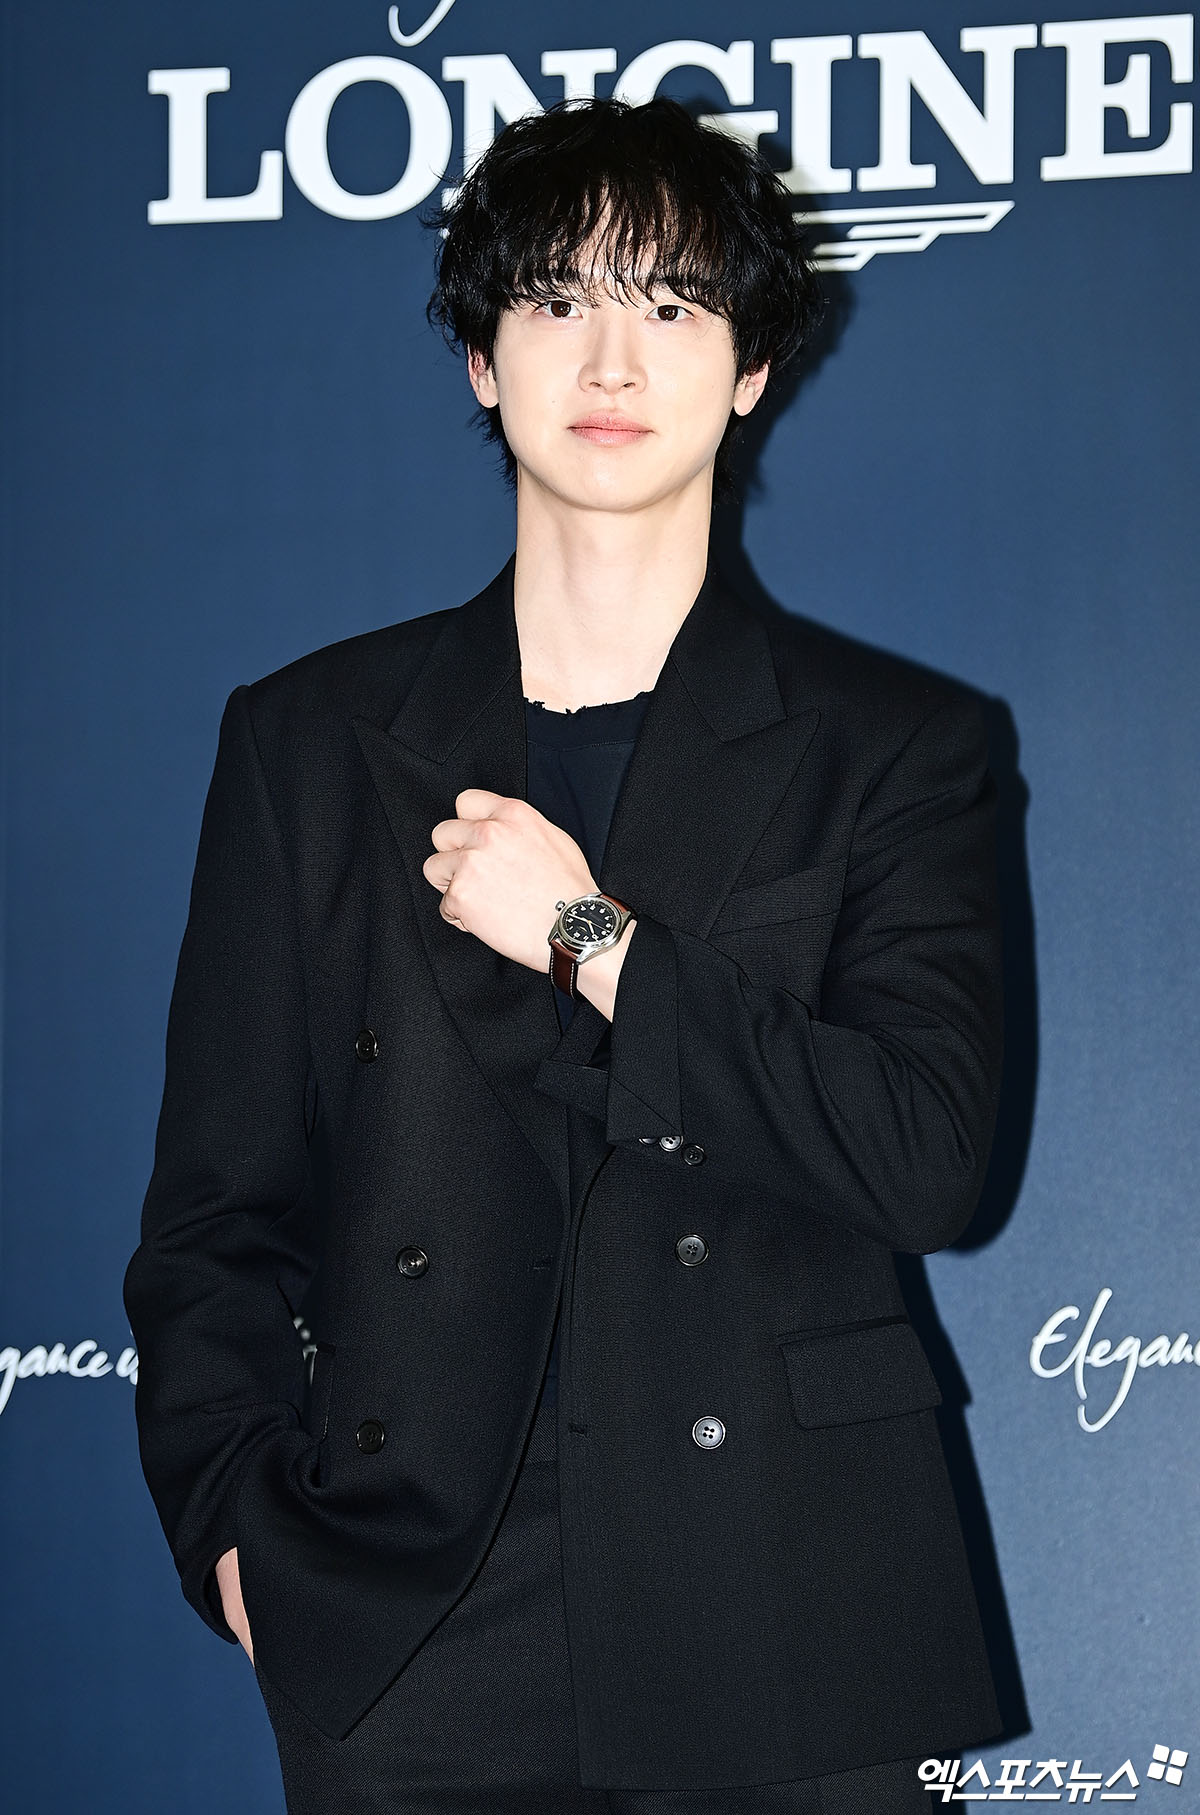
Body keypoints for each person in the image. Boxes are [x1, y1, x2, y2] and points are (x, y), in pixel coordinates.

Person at [124, 95, 1005, 1815]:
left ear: (751, 367)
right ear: (481, 356)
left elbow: (924, 1156)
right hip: (415, 1625)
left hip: (784, 1595)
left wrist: (593, 938)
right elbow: (215, 1213)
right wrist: (236, 1532)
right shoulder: (310, 744)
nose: (612, 357)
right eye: (555, 299)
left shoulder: (894, 746)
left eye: (671, 303)